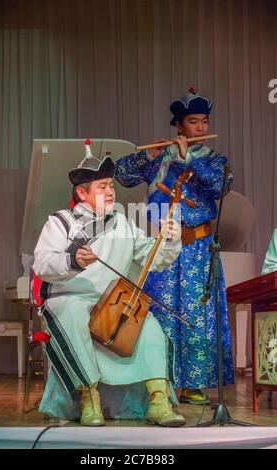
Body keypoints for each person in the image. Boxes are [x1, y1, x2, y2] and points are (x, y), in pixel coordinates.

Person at [33, 139, 186, 427]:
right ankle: (89, 398)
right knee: (72, 314)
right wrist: (72, 260)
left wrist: (170, 239)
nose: (109, 191)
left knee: (149, 324)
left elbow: (155, 258)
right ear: (81, 192)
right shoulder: (60, 223)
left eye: (110, 186)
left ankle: (158, 401)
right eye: (101, 187)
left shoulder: (124, 223)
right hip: (72, 298)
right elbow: (41, 264)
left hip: (112, 303)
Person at [114, 88, 234, 405]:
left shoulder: (214, 161)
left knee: (196, 314)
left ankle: (194, 385)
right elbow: (120, 174)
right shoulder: (158, 158)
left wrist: (184, 160)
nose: (200, 128)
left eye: (204, 121)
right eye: (192, 122)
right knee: (161, 314)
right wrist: (148, 155)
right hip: (163, 244)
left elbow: (222, 185)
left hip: (198, 247)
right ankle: (160, 383)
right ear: (179, 126)